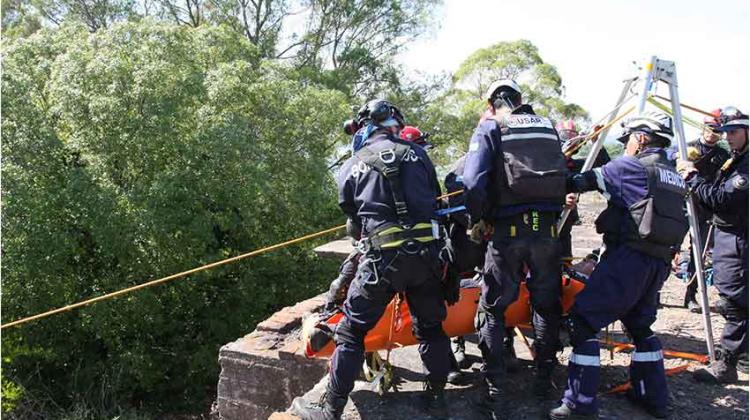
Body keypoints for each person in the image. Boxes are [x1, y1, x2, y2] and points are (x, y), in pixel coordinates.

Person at [294, 100, 452, 419]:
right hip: (426, 257)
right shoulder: (419, 154)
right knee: (431, 327)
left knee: (352, 332)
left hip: (383, 262)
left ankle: (331, 408)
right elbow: (434, 200)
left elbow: (352, 219)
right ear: (395, 124)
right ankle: (437, 399)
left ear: (367, 127)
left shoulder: (354, 163)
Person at [549, 111, 689, 419]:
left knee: (582, 323)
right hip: (658, 264)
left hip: (628, 260)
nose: (625, 146)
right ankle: (653, 397)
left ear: (640, 139)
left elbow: (579, 181)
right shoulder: (673, 175)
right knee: (640, 326)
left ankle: (579, 404)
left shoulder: (629, 165)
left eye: (626, 140)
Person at [463, 79, 569, 417]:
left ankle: (495, 390)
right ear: (521, 100)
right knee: (545, 304)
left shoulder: (491, 126)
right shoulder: (547, 126)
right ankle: (543, 380)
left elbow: (472, 181)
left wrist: (478, 218)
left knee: (492, 308)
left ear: (493, 103)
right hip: (547, 230)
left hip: (508, 231)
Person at [677, 106, 748, 383]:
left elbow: (721, 199)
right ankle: (741, 356)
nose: (728, 137)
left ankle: (727, 364)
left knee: (734, 301)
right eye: (725, 132)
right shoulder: (735, 159)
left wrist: (692, 178)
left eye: (734, 132)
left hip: (737, 239)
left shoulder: (745, 165)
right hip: (729, 235)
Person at [669, 109, 730, 311]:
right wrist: (678, 158)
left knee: (699, 254)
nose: (713, 133)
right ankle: (653, 292)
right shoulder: (688, 148)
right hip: (680, 205)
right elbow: (667, 161)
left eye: (717, 130)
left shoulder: (723, 155)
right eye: (710, 128)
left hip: (704, 209)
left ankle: (690, 295)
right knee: (668, 247)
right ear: (703, 127)